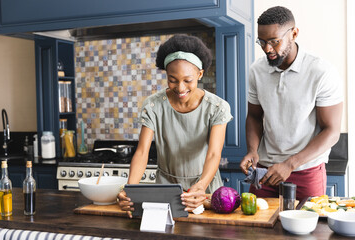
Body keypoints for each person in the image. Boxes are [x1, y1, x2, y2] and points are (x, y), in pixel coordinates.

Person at [118, 34, 233, 217]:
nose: (180, 88)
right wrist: (130, 189)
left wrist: (201, 186)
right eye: (172, 80)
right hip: (166, 188)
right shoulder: (153, 105)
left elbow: (213, 154)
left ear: (200, 74)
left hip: (205, 190)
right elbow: (142, 152)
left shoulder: (217, 107)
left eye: (188, 80)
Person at [240, 6, 343, 200]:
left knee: (307, 230)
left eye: (274, 41)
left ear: (294, 33)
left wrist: (290, 164)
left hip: (306, 171)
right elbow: (254, 116)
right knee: (257, 228)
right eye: (261, 42)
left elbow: (332, 131)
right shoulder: (256, 70)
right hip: (265, 172)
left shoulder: (321, 72)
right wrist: (252, 151)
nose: (267, 49)